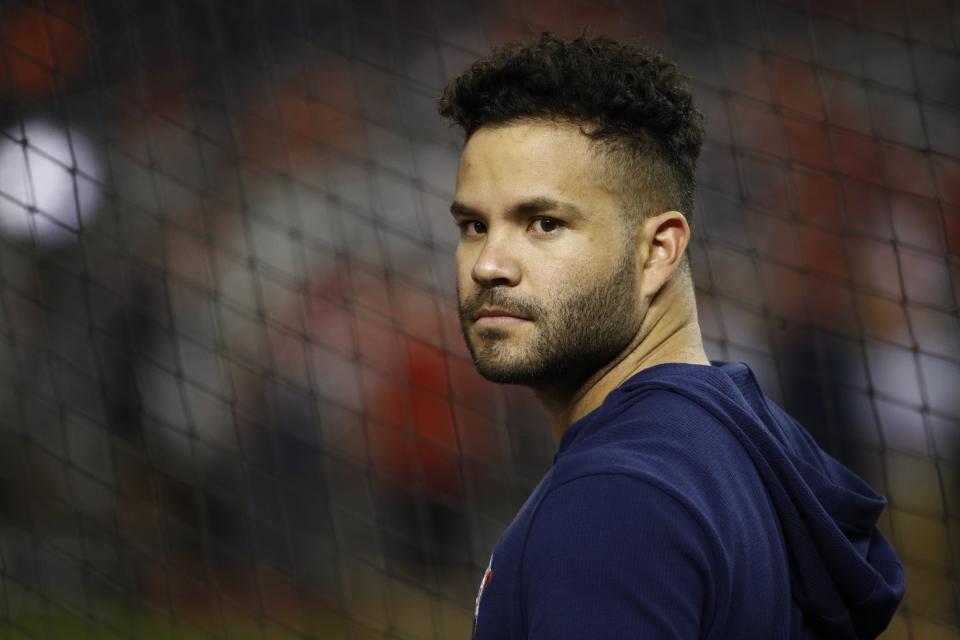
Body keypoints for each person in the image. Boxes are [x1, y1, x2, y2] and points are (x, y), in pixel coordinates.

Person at [437, 33, 904, 639]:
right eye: (474, 225)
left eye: (544, 223)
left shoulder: (613, 501)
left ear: (659, 250)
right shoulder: (745, 443)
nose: (488, 264)